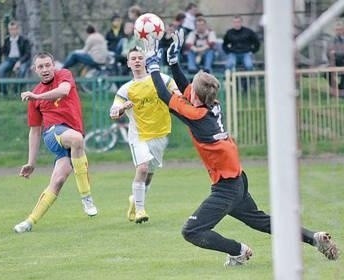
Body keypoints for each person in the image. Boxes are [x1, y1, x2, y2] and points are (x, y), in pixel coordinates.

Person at [143, 30, 339, 266]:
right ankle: (314, 238)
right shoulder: (211, 106)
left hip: (226, 186)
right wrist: (173, 62)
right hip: (236, 180)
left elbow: (166, 95)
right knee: (261, 221)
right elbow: (187, 89)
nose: (188, 90)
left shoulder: (196, 115)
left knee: (192, 231)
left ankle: (238, 250)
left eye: (191, 89)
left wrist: (153, 65)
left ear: (194, 95)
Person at [14, 52, 98, 233]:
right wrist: (31, 162)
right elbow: (35, 131)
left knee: (58, 181)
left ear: (54, 66)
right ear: (35, 70)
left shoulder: (64, 75)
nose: (44, 69)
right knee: (77, 139)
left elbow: (64, 91)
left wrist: (36, 97)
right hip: (53, 134)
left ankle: (29, 222)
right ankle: (86, 197)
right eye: (40, 66)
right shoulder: (35, 94)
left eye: (47, 65)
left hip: (70, 138)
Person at [109, 46, 178, 224]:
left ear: (146, 61)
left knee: (149, 174)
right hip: (138, 135)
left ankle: (135, 199)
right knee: (143, 168)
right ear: (128, 63)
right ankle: (140, 210)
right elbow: (113, 112)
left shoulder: (161, 79)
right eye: (133, 58)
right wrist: (122, 108)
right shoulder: (126, 89)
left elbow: (178, 94)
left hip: (160, 134)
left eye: (140, 57)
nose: (137, 61)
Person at [0, 21, 31, 96]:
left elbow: (27, 54)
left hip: (22, 60)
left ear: (18, 30)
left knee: (22, 70)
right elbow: (2, 51)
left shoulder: (24, 40)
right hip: (10, 60)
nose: (12, 31)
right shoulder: (7, 40)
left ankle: (16, 91)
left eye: (14, 29)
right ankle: (4, 91)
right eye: (10, 29)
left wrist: (20, 62)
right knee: (1, 69)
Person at [327, 20, 344, 97]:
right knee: (327, 72)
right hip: (334, 62)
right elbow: (329, 52)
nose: (338, 31)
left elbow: (334, 52)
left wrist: (336, 53)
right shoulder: (331, 40)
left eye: (340, 29)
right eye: (337, 29)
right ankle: (336, 90)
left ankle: (341, 89)